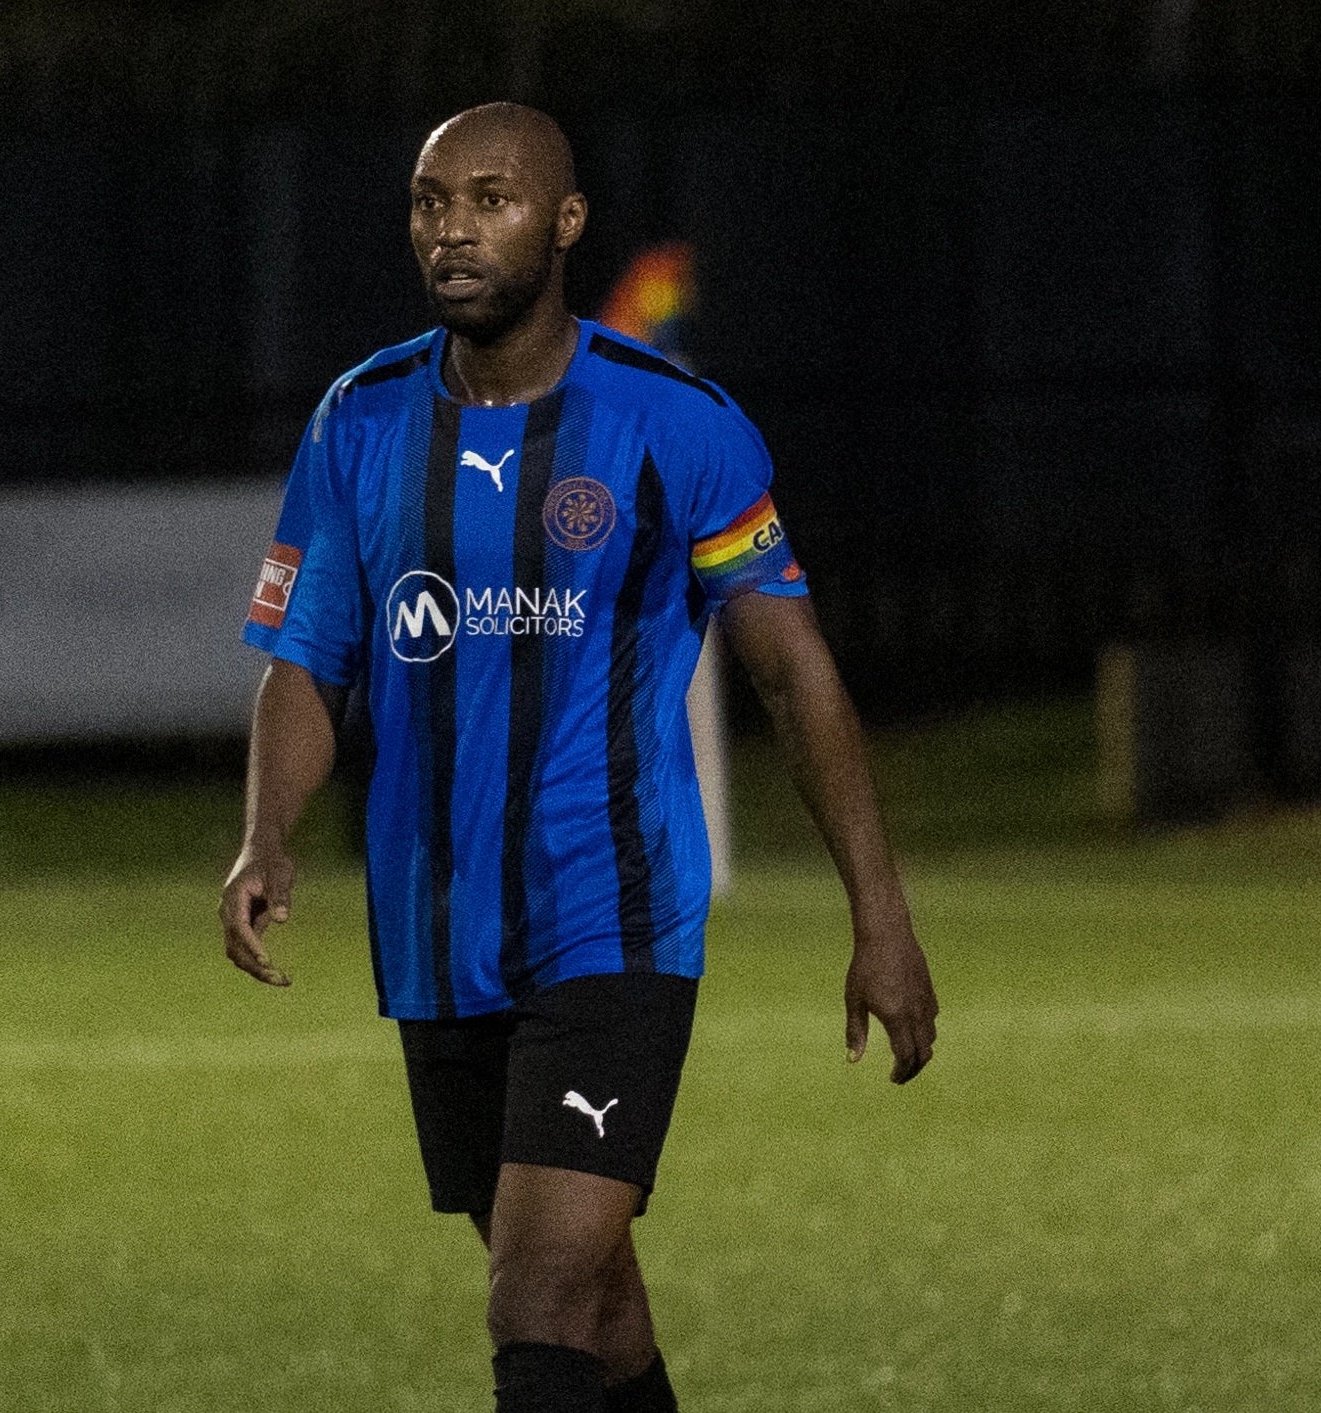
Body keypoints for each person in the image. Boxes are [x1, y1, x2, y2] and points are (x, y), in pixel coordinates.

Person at [221, 102, 938, 1413]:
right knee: (595, 1311)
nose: (452, 229)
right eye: (432, 201)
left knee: (537, 1297)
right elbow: (308, 659)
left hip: (611, 918)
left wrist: (879, 917)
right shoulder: (361, 420)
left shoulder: (675, 420)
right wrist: (267, 833)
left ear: (564, 223)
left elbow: (795, 673)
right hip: (437, 930)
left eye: (490, 198)